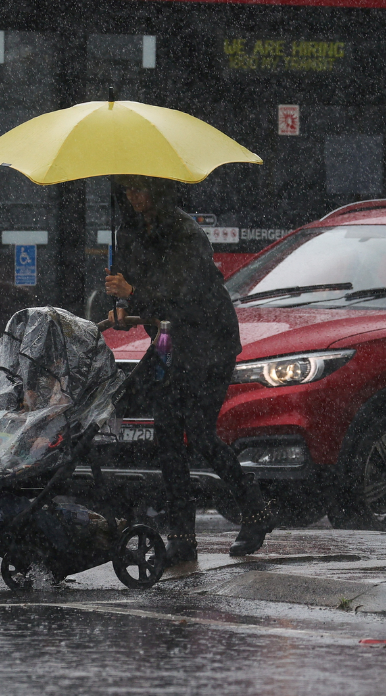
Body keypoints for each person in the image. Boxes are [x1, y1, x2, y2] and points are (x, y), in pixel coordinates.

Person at [104, 175, 276, 564]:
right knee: (166, 434)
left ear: (158, 190)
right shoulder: (127, 231)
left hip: (208, 341)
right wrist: (121, 308)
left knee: (198, 432)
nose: (134, 197)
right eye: (128, 190)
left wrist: (134, 294)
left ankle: (256, 509)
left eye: (140, 189)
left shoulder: (186, 233)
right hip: (168, 339)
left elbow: (183, 295)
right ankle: (182, 537)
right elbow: (141, 293)